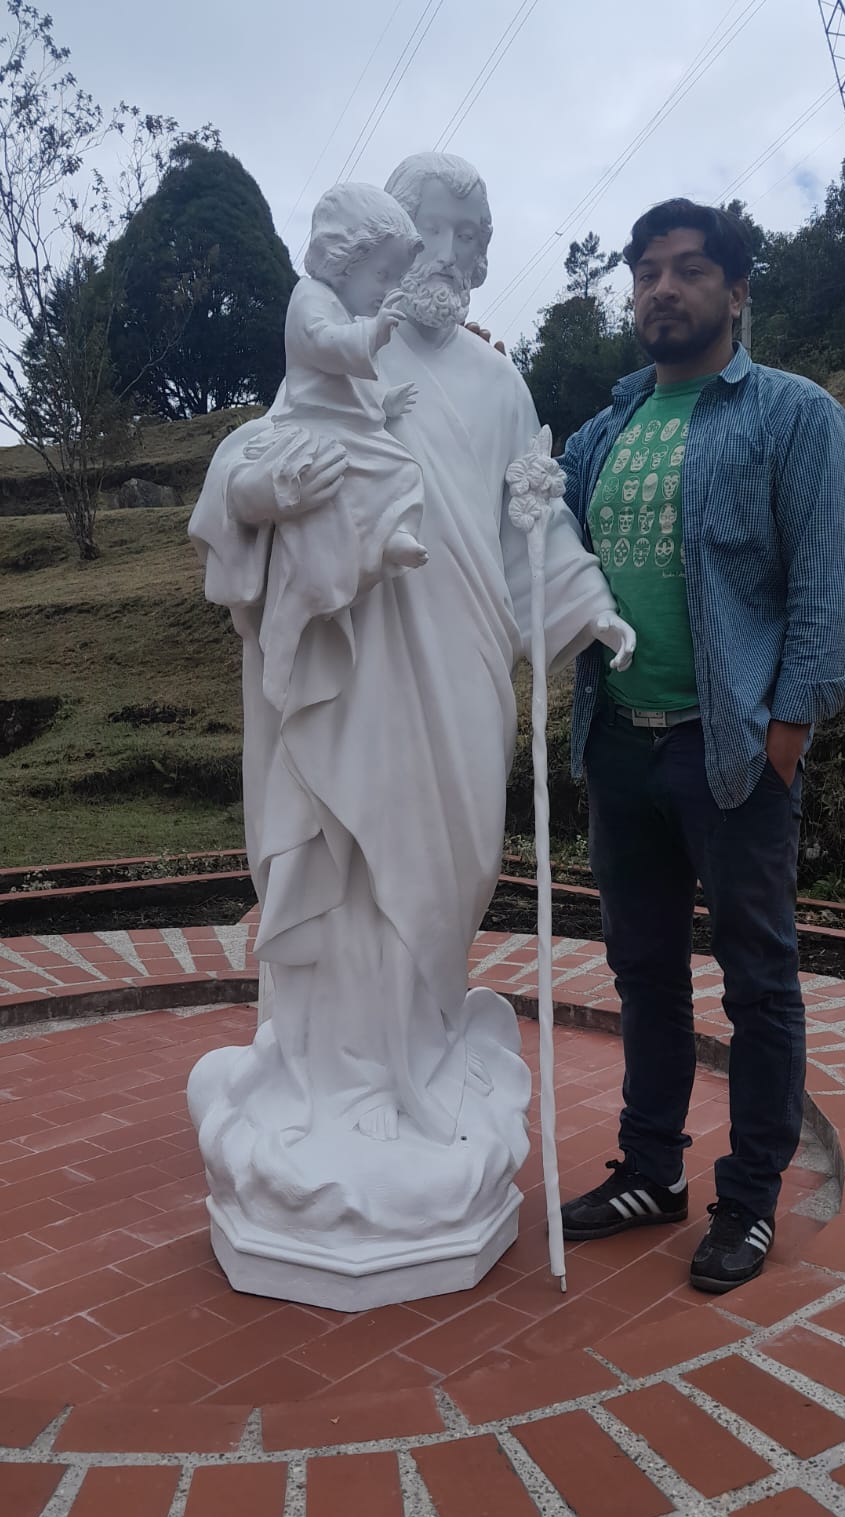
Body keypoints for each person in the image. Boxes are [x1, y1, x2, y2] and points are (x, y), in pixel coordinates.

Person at [186, 153, 635, 1271]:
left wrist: (589, 605)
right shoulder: (337, 352)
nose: (450, 257)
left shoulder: (500, 383)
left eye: (468, 238)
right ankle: (339, 1079)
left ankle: (424, 1053)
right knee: (348, 865)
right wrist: (260, 491)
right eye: (433, 231)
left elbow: (535, 525)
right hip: (357, 656)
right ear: (390, 237)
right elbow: (251, 463)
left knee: (446, 868)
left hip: (464, 666)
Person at [556, 197, 845, 1294]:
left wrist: (784, 736)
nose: (662, 289)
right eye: (646, 272)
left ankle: (749, 1199)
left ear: (735, 291)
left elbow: (824, 591)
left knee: (758, 984)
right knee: (642, 973)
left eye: (688, 270)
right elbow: (534, 527)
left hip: (728, 751)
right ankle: (651, 1171)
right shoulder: (601, 433)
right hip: (619, 745)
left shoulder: (793, 416)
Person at [254, 181, 428, 709]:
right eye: (382, 275)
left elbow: (351, 386)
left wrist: (384, 403)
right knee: (360, 494)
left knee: (401, 469)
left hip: (344, 429)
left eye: (395, 278)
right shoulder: (310, 299)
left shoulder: (341, 309)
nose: (387, 288)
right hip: (310, 432)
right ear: (343, 259)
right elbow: (325, 348)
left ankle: (389, 538)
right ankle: (287, 631)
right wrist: (373, 333)